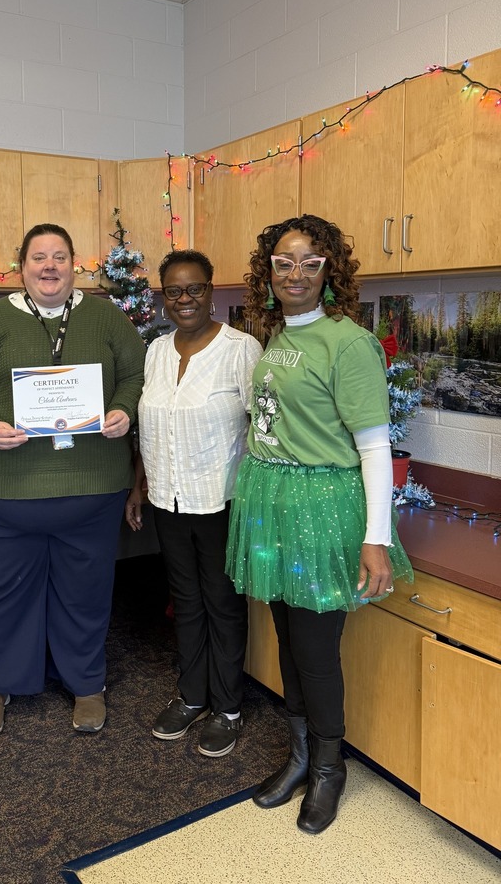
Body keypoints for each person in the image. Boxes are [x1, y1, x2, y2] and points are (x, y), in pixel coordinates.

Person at [226, 215, 413, 834]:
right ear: (268, 271)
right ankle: (302, 756)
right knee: (287, 639)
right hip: (273, 508)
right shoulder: (278, 334)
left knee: (315, 652)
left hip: (321, 512)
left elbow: (374, 447)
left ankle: (330, 769)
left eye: (310, 262)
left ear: (330, 270)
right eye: (284, 262)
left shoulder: (348, 341)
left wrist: (376, 539)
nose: (296, 273)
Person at [0, 223, 145, 737]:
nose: (49, 266)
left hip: (92, 487)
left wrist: (124, 410)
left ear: (74, 263)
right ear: (22, 267)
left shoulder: (105, 316)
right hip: (4, 492)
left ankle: (86, 683)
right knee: (2, 593)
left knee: (85, 591)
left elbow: (134, 374)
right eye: (39, 257)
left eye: (60, 256)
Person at [125, 249, 262, 758]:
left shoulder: (241, 349)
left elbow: (260, 428)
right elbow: (150, 426)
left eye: (195, 289)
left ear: (211, 290)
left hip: (220, 499)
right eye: (174, 291)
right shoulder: (157, 351)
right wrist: (139, 484)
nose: (185, 300)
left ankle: (227, 707)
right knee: (184, 602)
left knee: (222, 604)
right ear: (163, 297)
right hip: (167, 496)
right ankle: (191, 695)